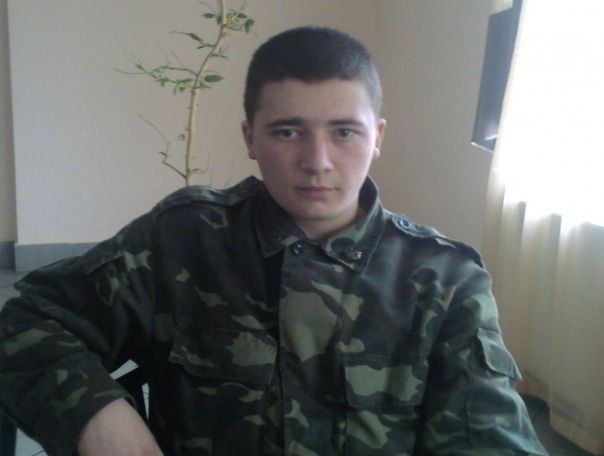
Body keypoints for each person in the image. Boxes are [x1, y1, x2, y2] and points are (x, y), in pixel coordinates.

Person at [0, 26, 546, 455]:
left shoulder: (444, 279)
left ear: (377, 137)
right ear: (250, 138)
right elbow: (25, 321)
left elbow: (490, 439)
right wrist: (98, 414)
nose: (317, 161)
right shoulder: (185, 240)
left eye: (344, 131)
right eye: (288, 131)